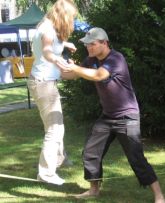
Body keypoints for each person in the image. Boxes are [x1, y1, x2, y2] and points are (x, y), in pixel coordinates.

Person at [62, 27, 165, 202]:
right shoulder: (91, 60)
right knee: (90, 151)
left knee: (136, 158)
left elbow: (98, 76)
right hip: (108, 116)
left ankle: (159, 196)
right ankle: (93, 190)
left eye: (93, 44)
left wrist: (75, 68)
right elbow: (70, 75)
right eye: (87, 45)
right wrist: (59, 63)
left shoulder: (116, 58)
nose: (89, 48)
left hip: (127, 116)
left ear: (105, 43)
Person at [27, 0, 77, 185]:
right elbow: (47, 51)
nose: (71, 20)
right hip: (43, 84)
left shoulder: (47, 26)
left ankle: (59, 159)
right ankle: (46, 174)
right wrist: (57, 60)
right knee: (54, 129)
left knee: (57, 125)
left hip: (44, 82)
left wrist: (65, 44)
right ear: (62, 15)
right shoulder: (48, 30)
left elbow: (49, 46)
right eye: (70, 17)